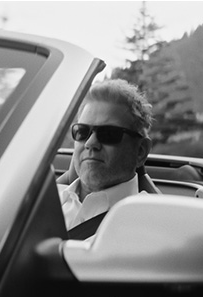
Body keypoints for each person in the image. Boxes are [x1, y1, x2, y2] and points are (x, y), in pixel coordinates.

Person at [57, 79, 153, 237]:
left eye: (109, 134)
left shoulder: (153, 223)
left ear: (140, 151)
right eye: (82, 131)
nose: (90, 143)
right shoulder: (36, 205)